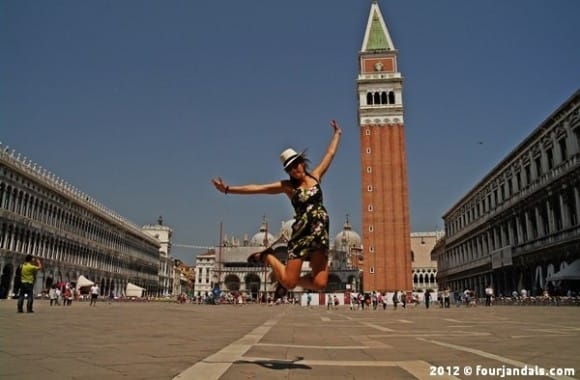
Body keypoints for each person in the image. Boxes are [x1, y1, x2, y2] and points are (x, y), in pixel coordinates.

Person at [212, 120, 342, 295]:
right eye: (290, 169)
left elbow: (330, 154)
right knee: (289, 283)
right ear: (288, 172)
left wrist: (337, 134)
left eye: (296, 164)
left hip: (320, 234)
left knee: (320, 284)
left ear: (303, 162)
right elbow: (258, 188)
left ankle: (286, 278)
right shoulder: (288, 187)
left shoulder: (316, 176)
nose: (295, 169)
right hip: (302, 235)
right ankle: (268, 256)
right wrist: (228, 189)